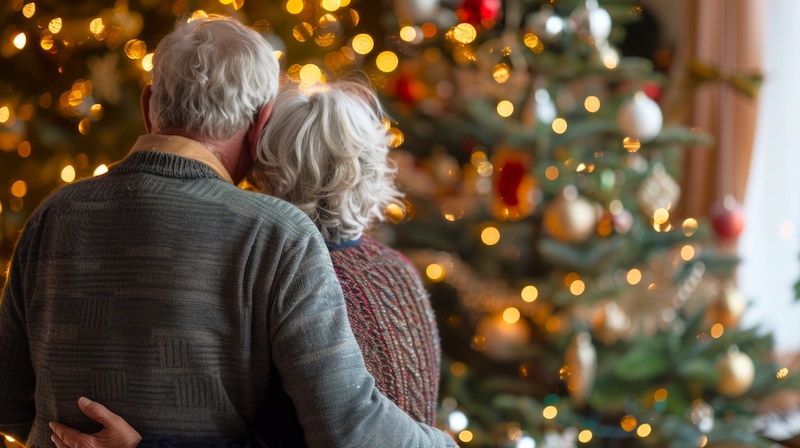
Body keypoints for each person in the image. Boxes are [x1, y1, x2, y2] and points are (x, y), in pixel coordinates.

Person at [0, 15, 455, 448]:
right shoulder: (278, 235)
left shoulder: (51, 216)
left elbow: (9, 406)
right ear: (260, 126)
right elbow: (346, 429)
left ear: (147, 105)